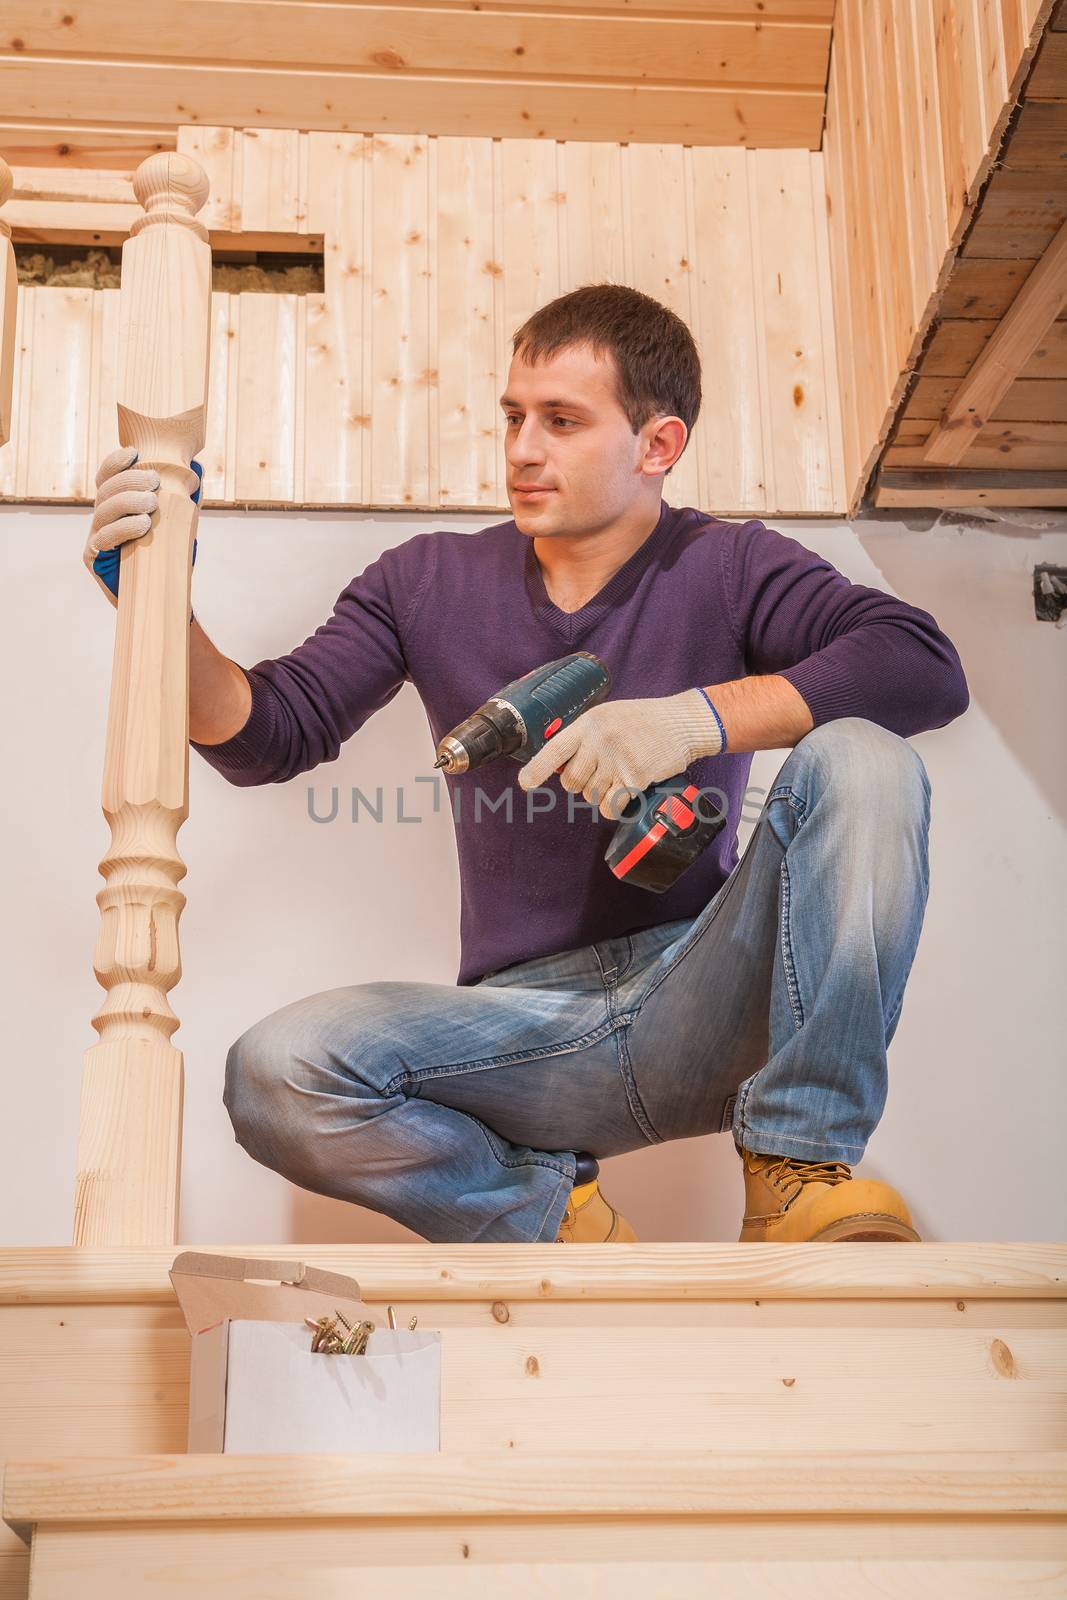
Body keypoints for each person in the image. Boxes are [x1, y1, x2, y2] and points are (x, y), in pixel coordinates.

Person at [83, 284, 969, 1246]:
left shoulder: (730, 565)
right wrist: (156, 609)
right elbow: (269, 734)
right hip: (523, 1028)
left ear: (657, 446)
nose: (522, 450)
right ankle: (550, 1218)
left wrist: (693, 719)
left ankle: (798, 1168)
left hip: (707, 997)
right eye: (513, 417)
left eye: (561, 421)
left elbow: (918, 666)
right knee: (277, 1070)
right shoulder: (423, 581)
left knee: (862, 756)